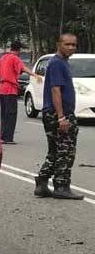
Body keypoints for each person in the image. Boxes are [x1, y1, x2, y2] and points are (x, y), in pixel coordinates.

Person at [35, 33, 83, 200]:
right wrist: (62, 117)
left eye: (74, 45)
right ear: (59, 44)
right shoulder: (57, 63)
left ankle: (42, 183)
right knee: (66, 151)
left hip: (54, 113)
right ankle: (61, 186)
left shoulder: (62, 63)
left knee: (55, 150)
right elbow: (56, 90)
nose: (71, 47)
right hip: (58, 113)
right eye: (67, 44)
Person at [0, 41, 40, 144]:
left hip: (2, 89)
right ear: (19, 50)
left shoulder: (4, 58)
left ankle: (2, 137)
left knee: (4, 115)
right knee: (11, 114)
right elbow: (23, 68)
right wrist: (34, 75)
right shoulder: (15, 58)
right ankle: (8, 138)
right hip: (10, 89)